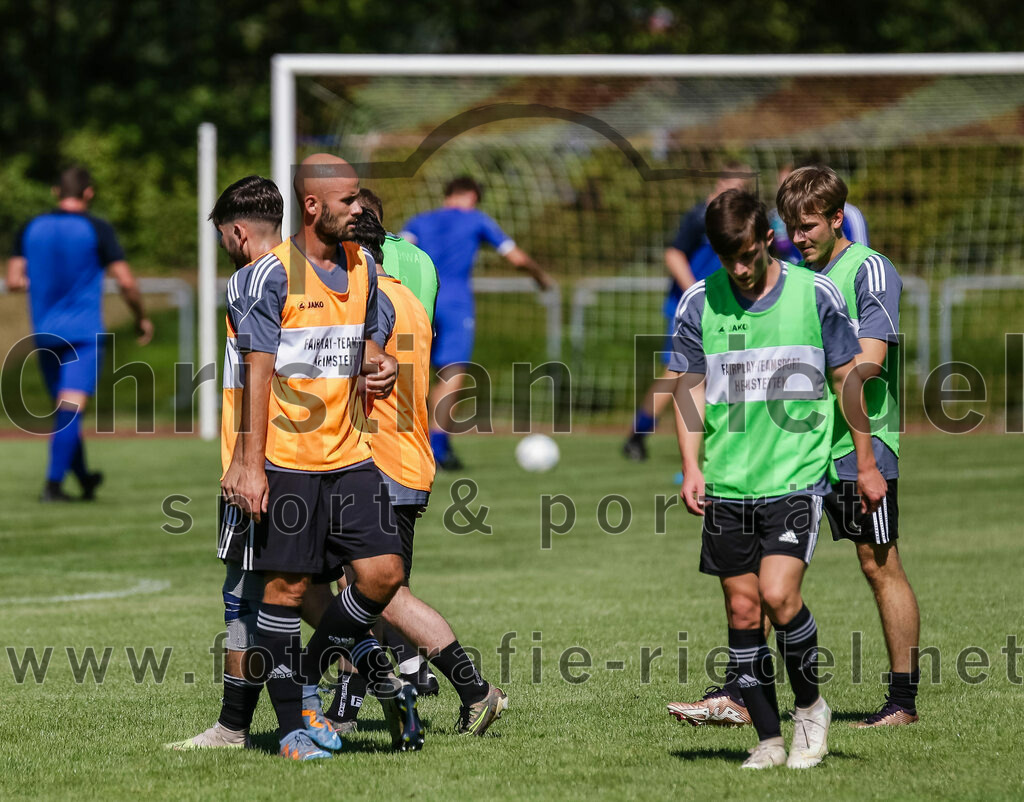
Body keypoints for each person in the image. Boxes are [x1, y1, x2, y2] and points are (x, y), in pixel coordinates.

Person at [665, 189, 886, 769]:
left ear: (767, 239)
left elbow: (848, 381)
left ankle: (810, 708)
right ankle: (767, 740)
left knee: (778, 594)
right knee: (742, 613)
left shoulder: (814, 294)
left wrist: (864, 463)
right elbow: (688, 388)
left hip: (796, 475)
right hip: (727, 482)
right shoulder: (697, 302)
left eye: (747, 254)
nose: (739, 269)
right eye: (727, 258)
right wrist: (692, 465)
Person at [218, 154, 419, 760]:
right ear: (313, 206)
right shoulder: (268, 277)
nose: (360, 208)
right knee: (284, 590)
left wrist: (380, 362)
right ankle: (290, 732)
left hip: (351, 455)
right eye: (349, 199)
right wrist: (249, 464)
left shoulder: (365, 266)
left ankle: (306, 673)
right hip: (288, 460)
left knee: (384, 574)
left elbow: (370, 337)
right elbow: (256, 375)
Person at [321, 195, 508, 737]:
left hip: (376, 461)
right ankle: (349, 708)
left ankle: (474, 689)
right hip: (407, 460)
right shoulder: (409, 299)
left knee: (377, 593)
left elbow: (357, 376)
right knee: (366, 594)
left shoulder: (369, 304)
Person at [778, 165, 920, 727]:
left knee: (878, 563)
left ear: (838, 218)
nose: (799, 237)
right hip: (801, 446)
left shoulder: (870, 269)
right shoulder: (794, 279)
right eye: (792, 227)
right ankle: (743, 690)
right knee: (771, 562)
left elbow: (869, 364)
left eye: (809, 225)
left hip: (863, 445)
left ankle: (902, 703)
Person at [6, 165, 153, 501]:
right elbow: (126, 282)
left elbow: (14, 280)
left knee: (64, 411)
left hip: (44, 333)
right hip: (83, 336)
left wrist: (39, 281)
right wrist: (141, 317)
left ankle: (85, 479)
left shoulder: (30, 226)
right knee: (70, 410)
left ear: (56, 192)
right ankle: (53, 486)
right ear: (88, 193)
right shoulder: (96, 228)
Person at [400, 176, 554, 470]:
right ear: (471, 196)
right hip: (454, 305)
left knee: (415, 373)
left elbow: (395, 252)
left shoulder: (418, 221)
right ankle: (437, 447)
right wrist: (540, 277)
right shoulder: (476, 220)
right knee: (451, 373)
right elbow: (516, 258)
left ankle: (414, 442)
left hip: (416, 302)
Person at [623, 164, 749, 462]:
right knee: (678, 372)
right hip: (688, 308)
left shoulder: (737, 220)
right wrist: (695, 293)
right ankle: (638, 434)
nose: (738, 193)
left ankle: (725, 444)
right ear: (719, 184)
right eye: (734, 186)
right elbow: (673, 254)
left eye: (743, 190)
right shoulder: (699, 217)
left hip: (724, 308)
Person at [770, 158, 868, 262]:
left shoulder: (865, 265)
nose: (796, 239)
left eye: (807, 227)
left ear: (837, 218)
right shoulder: (776, 216)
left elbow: (861, 251)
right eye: (791, 227)